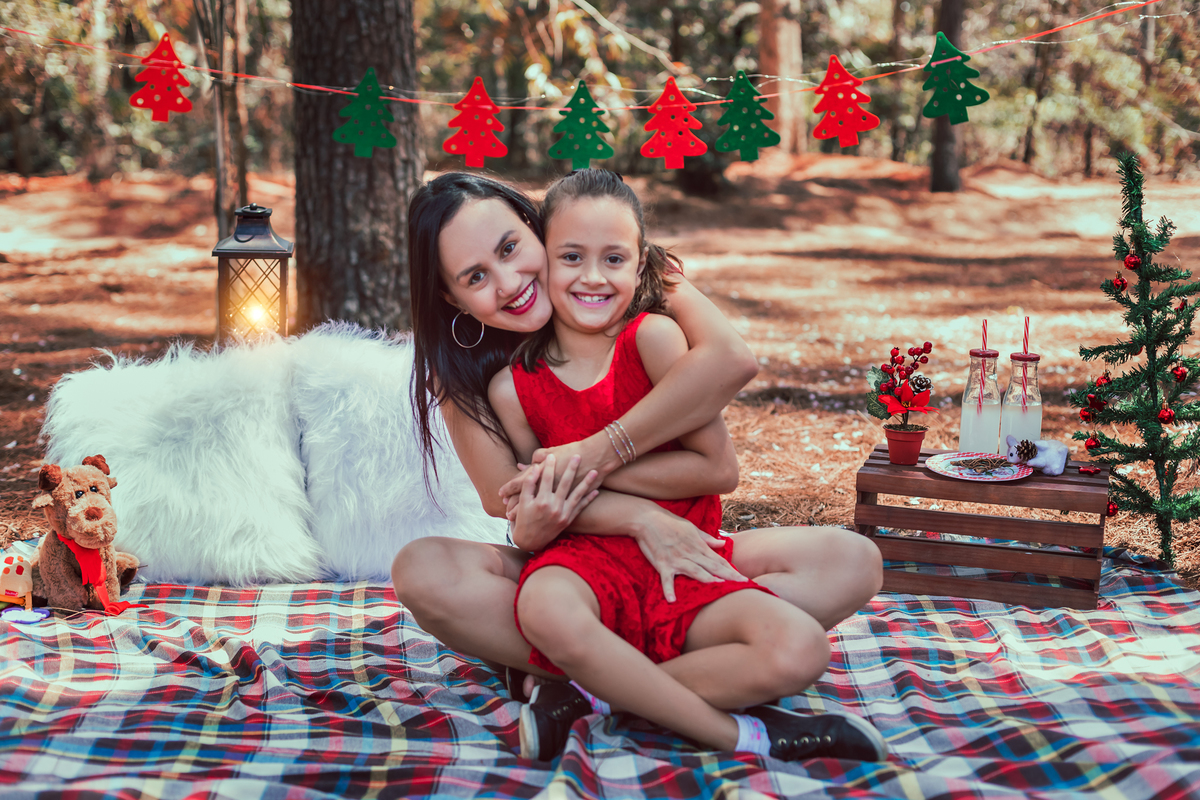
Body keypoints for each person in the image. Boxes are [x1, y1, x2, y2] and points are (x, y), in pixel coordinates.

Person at [391, 171, 883, 741]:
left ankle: (587, 690)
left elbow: (729, 368)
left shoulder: (624, 284)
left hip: (684, 544)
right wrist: (638, 516)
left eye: (509, 249)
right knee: (426, 569)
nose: (508, 282)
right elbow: (516, 508)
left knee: (852, 560)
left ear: (537, 228)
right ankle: (675, 682)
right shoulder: (482, 382)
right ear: (451, 296)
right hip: (580, 557)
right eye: (476, 276)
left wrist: (594, 453)